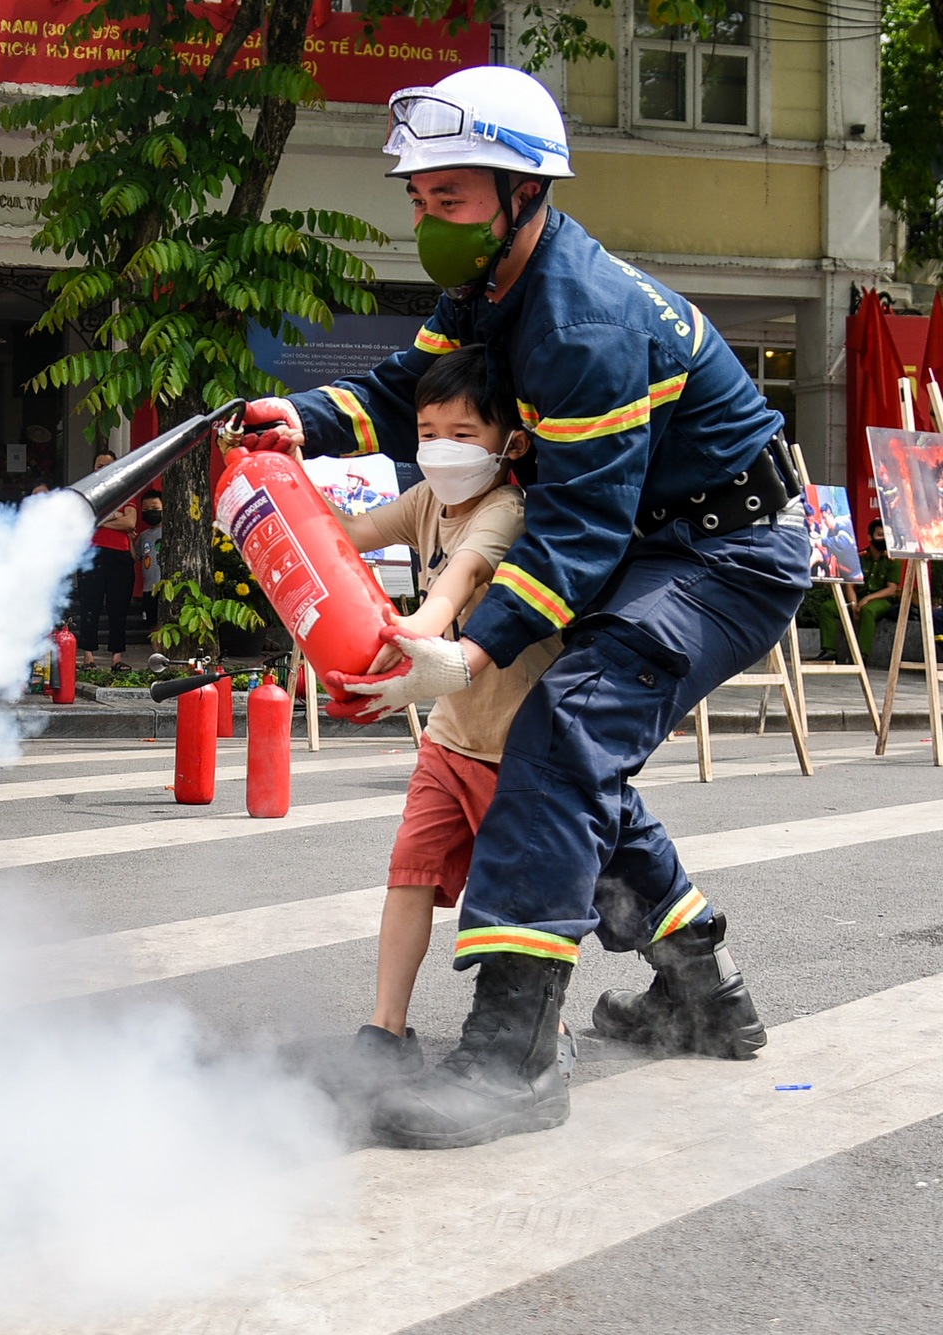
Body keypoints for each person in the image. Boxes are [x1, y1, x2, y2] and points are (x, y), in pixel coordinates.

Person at [242, 65, 810, 1149]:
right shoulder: (488, 289)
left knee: (557, 733)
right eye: (417, 199)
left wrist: (459, 652)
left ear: (520, 191)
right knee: (575, 758)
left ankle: (508, 1059)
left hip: (729, 554)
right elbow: (407, 391)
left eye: (447, 199)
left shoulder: (582, 320)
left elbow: (577, 531)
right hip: (661, 542)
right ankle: (703, 992)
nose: (427, 220)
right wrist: (295, 415)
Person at [330, 346, 568, 1082]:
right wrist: (267, 503)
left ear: (511, 442)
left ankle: (535, 1035)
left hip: (521, 752)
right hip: (450, 739)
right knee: (410, 875)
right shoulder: (426, 501)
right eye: (429, 430)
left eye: (463, 433)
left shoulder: (505, 510)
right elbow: (351, 533)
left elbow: (456, 582)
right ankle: (385, 1029)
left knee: (518, 906)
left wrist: (413, 634)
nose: (441, 448)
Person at [71, 449, 138, 670]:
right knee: (90, 606)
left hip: (120, 555)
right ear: (94, 469)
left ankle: (117, 658)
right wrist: (116, 515)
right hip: (92, 554)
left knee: (119, 609)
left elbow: (130, 523)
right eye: (99, 465)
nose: (103, 469)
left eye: (107, 465)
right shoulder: (87, 492)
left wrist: (100, 519)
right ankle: (88, 657)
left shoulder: (127, 489)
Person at [808, 519, 899, 662]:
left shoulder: (892, 560)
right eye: (880, 535)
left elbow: (891, 589)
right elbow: (850, 584)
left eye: (886, 535)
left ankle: (861, 655)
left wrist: (867, 600)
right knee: (828, 608)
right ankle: (829, 651)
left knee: (867, 610)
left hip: (880, 600)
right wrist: (853, 604)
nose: (883, 539)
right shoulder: (860, 557)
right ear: (870, 537)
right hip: (857, 597)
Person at [131, 489, 166, 630]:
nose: (151, 512)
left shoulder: (172, 531)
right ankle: (157, 651)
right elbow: (136, 557)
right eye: (146, 509)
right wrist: (129, 540)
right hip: (148, 588)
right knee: (153, 625)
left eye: (155, 508)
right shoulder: (143, 536)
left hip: (166, 587)